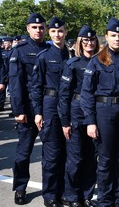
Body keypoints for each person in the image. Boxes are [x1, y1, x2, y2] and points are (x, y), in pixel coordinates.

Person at [80, 17, 119, 207]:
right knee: (105, 159)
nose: (117, 39)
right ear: (106, 36)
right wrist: (90, 121)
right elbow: (86, 94)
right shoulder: (97, 61)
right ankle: (104, 201)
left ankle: (118, 200)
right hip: (104, 112)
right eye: (113, 35)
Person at [8, 12, 50, 205]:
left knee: (50, 153)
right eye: (35, 27)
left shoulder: (50, 50)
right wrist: (18, 111)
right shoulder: (20, 50)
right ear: (28, 29)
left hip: (47, 109)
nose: (38, 30)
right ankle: (20, 188)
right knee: (23, 153)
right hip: (28, 110)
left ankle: (51, 189)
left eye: (41, 27)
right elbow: (15, 83)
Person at [58, 25, 100, 207]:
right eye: (85, 41)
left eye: (92, 40)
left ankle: (86, 195)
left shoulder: (102, 62)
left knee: (92, 158)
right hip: (76, 113)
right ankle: (72, 196)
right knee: (75, 159)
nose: (89, 43)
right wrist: (64, 121)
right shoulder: (72, 64)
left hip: (96, 114)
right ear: (79, 43)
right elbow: (64, 95)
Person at [31, 17, 69, 207]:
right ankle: (50, 195)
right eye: (53, 31)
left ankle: (62, 192)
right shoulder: (44, 56)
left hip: (68, 105)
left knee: (66, 153)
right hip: (50, 105)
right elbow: (36, 86)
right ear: (49, 33)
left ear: (66, 32)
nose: (57, 34)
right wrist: (38, 112)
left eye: (60, 31)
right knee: (52, 154)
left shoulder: (71, 55)